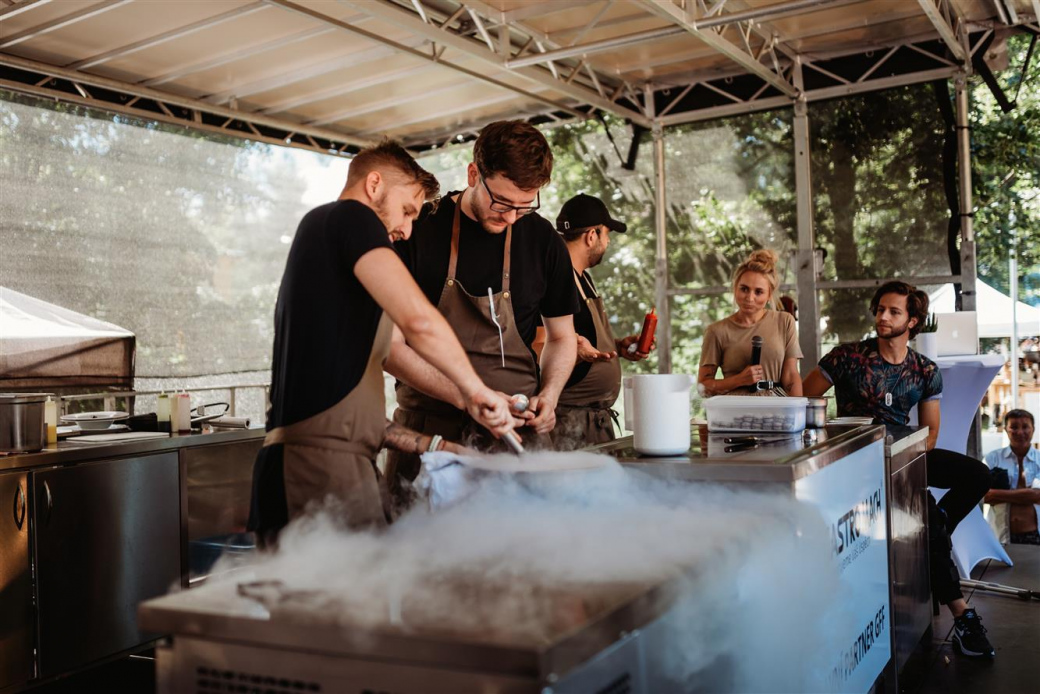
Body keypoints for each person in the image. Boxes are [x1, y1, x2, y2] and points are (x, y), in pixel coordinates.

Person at [248, 140, 515, 545]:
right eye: (408, 210)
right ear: (374, 185)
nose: (407, 230)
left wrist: (439, 445)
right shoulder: (346, 217)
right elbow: (420, 322)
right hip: (310, 475)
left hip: (338, 470)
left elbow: (362, 419)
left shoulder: (338, 277)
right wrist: (475, 390)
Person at [385, 120, 579, 498]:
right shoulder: (416, 230)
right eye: (502, 203)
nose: (510, 218)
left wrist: (551, 395)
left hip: (517, 435)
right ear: (474, 173)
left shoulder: (543, 241)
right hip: (430, 432)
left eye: (524, 207)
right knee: (418, 550)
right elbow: (390, 349)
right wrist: (469, 397)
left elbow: (561, 337)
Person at [802, 280, 995, 658]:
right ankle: (962, 614)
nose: (883, 317)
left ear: (913, 321)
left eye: (893, 311)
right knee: (930, 523)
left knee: (978, 476)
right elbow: (801, 399)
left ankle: (933, 526)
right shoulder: (846, 357)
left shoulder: (924, 369)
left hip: (905, 455)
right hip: (856, 460)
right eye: (880, 309)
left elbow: (932, 433)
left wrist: (904, 460)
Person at [535, 194, 651, 449]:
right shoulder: (551, 280)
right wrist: (573, 352)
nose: (608, 242)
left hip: (594, 424)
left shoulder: (583, 279)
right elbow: (538, 347)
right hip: (568, 424)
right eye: (606, 234)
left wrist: (617, 347)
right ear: (591, 236)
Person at [698, 250, 803, 397]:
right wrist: (739, 380)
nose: (750, 297)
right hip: (735, 413)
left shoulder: (784, 322)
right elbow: (703, 387)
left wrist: (798, 415)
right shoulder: (716, 331)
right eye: (744, 289)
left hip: (776, 410)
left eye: (758, 292)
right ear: (735, 288)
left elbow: (791, 375)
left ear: (769, 295)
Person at [984, 409, 1040, 544]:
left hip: (1035, 536)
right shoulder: (993, 458)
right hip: (1000, 536)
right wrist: (1028, 495)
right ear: (1006, 429)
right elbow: (984, 496)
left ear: (1033, 429)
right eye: (1014, 427)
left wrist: (998, 494)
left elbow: (1038, 495)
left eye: (1025, 427)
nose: (1020, 432)